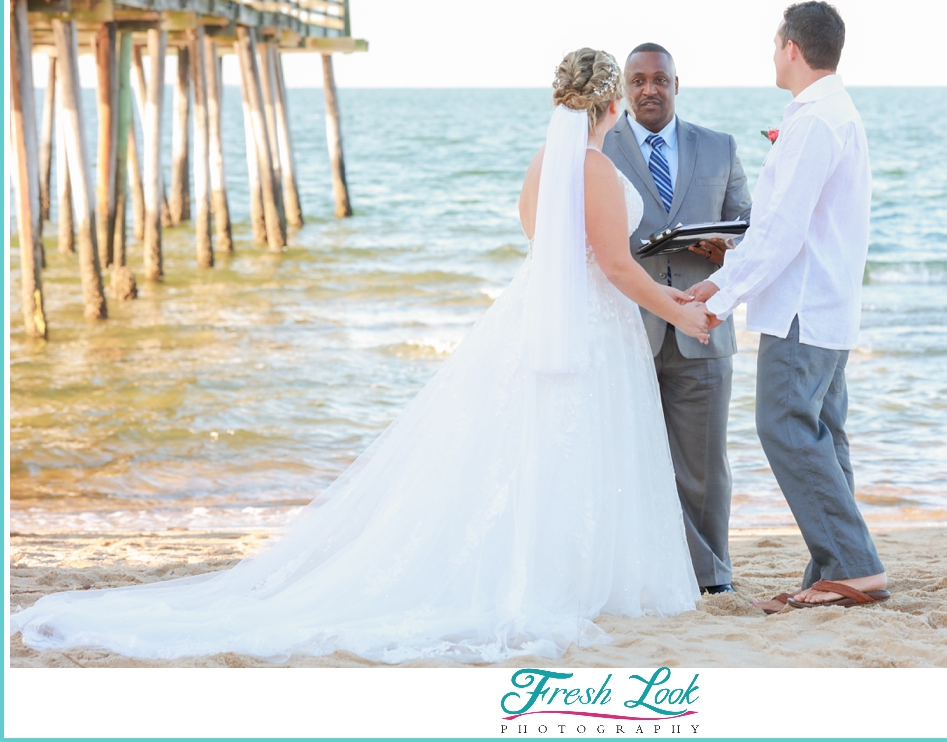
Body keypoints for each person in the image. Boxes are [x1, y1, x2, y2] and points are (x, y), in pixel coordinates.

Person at [10, 49, 716, 663]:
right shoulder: (594, 167)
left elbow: (548, 253)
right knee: (575, 452)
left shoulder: (542, 165)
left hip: (540, 323)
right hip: (589, 332)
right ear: (612, 102)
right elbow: (618, 271)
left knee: (539, 453)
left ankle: (552, 567)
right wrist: (680, 307)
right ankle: (569, 577)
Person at [688, 3, 890, 611]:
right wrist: (727, 267)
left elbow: (782, 232)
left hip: (803, 309)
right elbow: (785, 228)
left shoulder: (814, 122)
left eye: (776, 44)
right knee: (822, 436)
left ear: (791, 48)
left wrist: (721, 296)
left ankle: (852, 567)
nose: (774, 54)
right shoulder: (836, 113)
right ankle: (833, 571)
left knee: (784, 426)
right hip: (828, 305)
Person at [602, 43, 752, 594]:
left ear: (676, 84)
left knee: (704, 466)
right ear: (624, 88)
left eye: (660, 80)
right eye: (638, 80)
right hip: (623, 329)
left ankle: (711, 578)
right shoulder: (598, 149)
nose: (649, 89)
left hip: (702, 324)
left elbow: (751, 230)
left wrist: (724, 249)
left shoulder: (719, 147)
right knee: (626, 461)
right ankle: (640, 575)